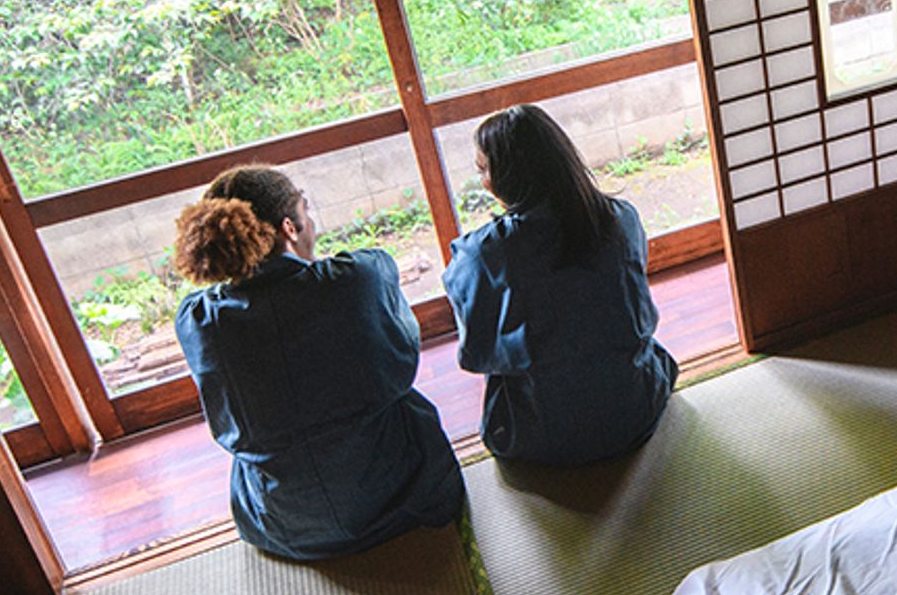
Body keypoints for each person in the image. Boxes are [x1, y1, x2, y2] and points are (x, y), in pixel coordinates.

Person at [171, 164, 461, 559]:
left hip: (284, 527)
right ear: (289, 227)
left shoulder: (200, 320)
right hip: (398, 498)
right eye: (307, 215)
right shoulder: (356, 279)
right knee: (402, 404)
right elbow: (402, 357)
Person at [443, 105, 678, 465]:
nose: (482, 180)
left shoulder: (486, 253)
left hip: (542, 438)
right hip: (635, 412)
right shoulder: (619, 219)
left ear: (508, 175)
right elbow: (636, 309)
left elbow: (476, 352)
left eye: (483, 169)